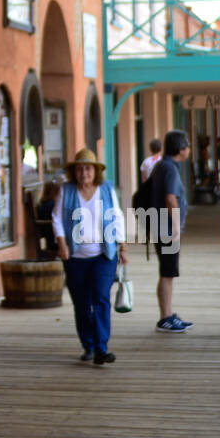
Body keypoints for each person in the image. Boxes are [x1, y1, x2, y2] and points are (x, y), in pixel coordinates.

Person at [52, 147, 127, 365]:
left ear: (95, 171)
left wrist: (123, 247)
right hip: (75, 257)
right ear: (74, 172)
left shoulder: (106, 189)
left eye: (88, 168)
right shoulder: (66, 190)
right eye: (80, 169)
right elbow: (56, 218)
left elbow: (117, 217)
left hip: (103, 254)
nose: (84, 172)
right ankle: (89, 346)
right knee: (82, 303)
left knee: (101, 297)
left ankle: (102, 348)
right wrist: (62, 243)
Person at [149, 130, 193, 331]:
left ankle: (168, 314)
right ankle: (165, 317)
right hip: (166, 229)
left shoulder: (162, 165)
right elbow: (170, 198)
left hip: (160, 226)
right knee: (167, 273)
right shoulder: (170, 169)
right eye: (187, 146)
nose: (189, 150)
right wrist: (176, 228)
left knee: (168, 272)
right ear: (181, 149)